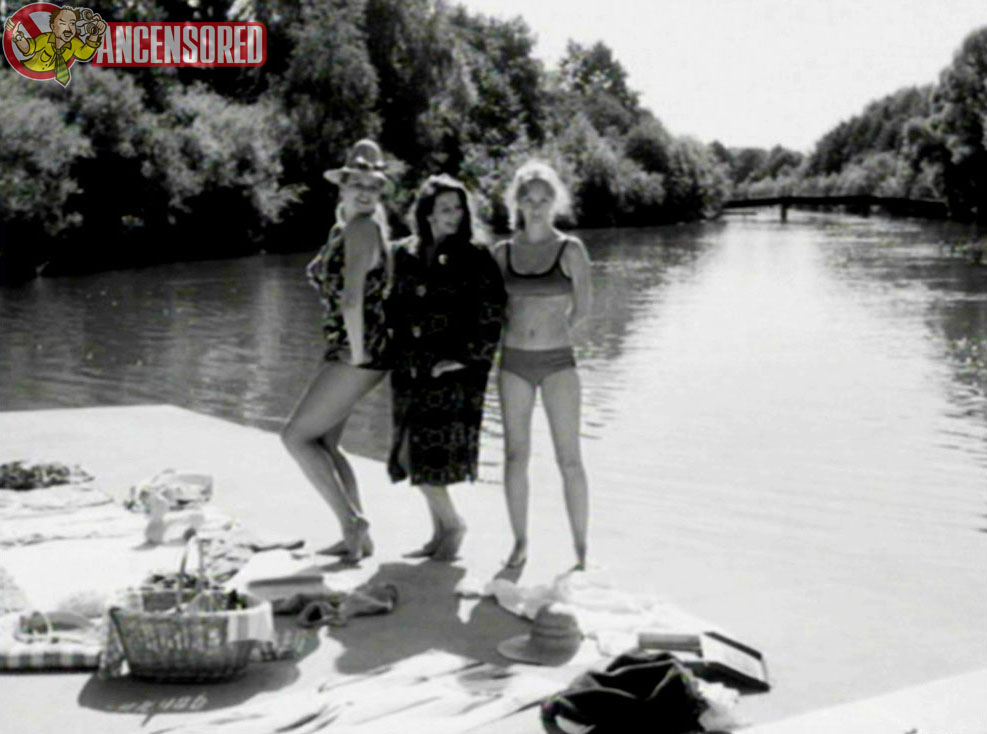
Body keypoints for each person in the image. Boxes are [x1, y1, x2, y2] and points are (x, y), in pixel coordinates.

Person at [281, 139, 393, 564]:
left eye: (373, 186)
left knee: (295, 438)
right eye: (357, 183)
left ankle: (352, 522)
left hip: (357, 350)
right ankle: (356, 539)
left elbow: (352, 298)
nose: (365, 192)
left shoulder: (363, 229)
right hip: (348, 346)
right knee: (326, 444)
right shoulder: (345, 226)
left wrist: (357, 353)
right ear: (343, 186)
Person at [387, 174, 506, 561]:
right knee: (411, 452)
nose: (454, 215)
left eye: (458, 208)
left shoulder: (475, 256)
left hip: (451, 371)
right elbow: (391, 305)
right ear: (427, 213)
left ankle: (453, 526)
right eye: (445, 209)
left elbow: (492, 315)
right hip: (410, 368)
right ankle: (439, 532)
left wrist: (464, 358)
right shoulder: (405, 252)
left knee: (426, 455)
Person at [492, 160, 593, 570]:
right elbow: (493, 312)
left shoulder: (571, 250)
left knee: (569, 459)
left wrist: (552, 333)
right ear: (517, 202)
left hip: (558, 363)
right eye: (528, 199)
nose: (536, 207)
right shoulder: (502, 253)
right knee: (515, 456)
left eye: (543, 199)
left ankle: (581, 552)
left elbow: (583, 310)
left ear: (555, 202)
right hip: (513, 363)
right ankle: (519, 544)